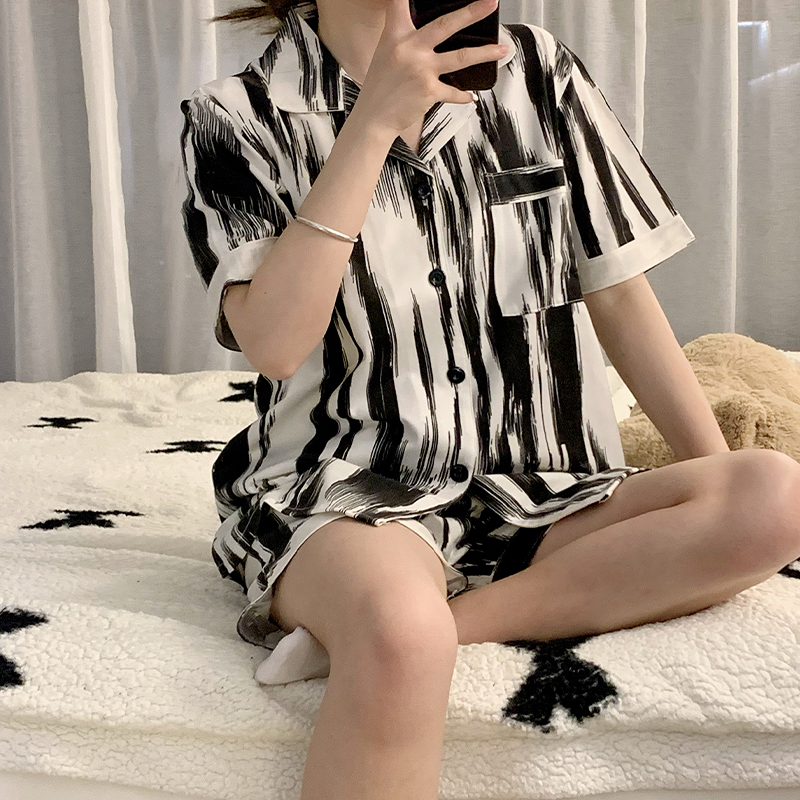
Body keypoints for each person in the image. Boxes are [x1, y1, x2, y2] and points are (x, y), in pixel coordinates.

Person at [179, 0, 800, 797]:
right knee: (402, 634)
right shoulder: (234, 114)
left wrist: (709, 497)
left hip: (547, 487)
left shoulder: (536, 71)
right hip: (352, 491)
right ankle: (395, 628)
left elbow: (618, 295)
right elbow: (274, 343)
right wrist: (371, 125)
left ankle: (414, 630)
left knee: (773, 495)